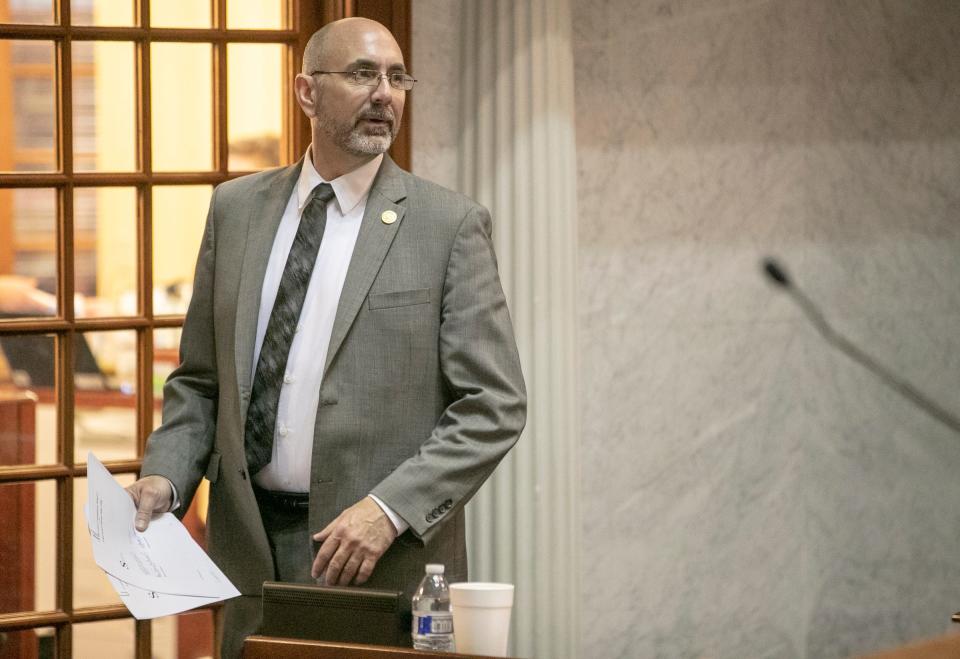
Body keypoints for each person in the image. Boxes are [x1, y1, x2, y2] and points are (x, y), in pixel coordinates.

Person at [125, 16, 526, 658]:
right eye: (364, 74)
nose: (385, 94)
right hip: (246, 554)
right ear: (307, 92)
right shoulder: (236, 210)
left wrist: (388, 510)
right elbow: (201, 381)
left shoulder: (448, 225)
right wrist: (166, 477)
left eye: (397, 78)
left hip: (376, 564)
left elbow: (494, 405)